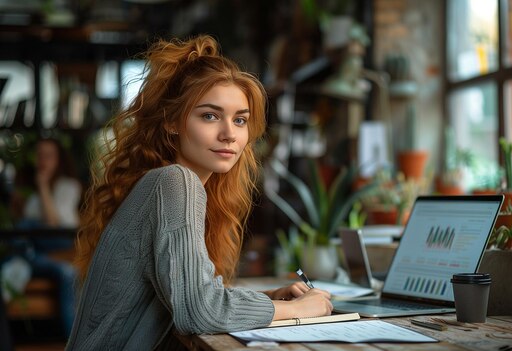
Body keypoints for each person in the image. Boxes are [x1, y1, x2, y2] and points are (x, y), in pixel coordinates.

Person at [67, 35, 332, 350]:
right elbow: (198, 312)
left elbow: (191, 294)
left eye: (240, 120)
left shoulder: (169, 185)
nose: (229, 134)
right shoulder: (175, 181)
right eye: (210, 115)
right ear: (172, 122)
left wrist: (267, 299)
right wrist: (295, 310)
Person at [9, 137, 81, 339]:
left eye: (48, 155)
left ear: (59, 159)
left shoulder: (68, 187)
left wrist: (42, 185)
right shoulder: (30, 195)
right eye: (39, 155)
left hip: (61, 244)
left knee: (26, 228)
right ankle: (23, 259)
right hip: (39, 256)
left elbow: (52, 224)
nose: (43, 160)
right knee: (66, 272)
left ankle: (18, 259)